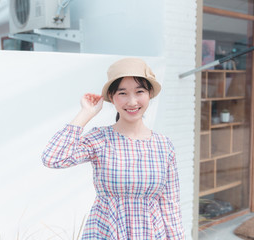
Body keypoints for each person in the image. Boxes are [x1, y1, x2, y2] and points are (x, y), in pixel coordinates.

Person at [42, 58, 185, 239]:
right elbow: (53, 158)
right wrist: (86, 113)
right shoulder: (101, 139)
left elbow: (170, 206)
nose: (132, 101)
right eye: (123, 93)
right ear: (112, 97)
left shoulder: (164, 146)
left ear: (149, 94)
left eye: (139, 91)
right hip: (105, 233)